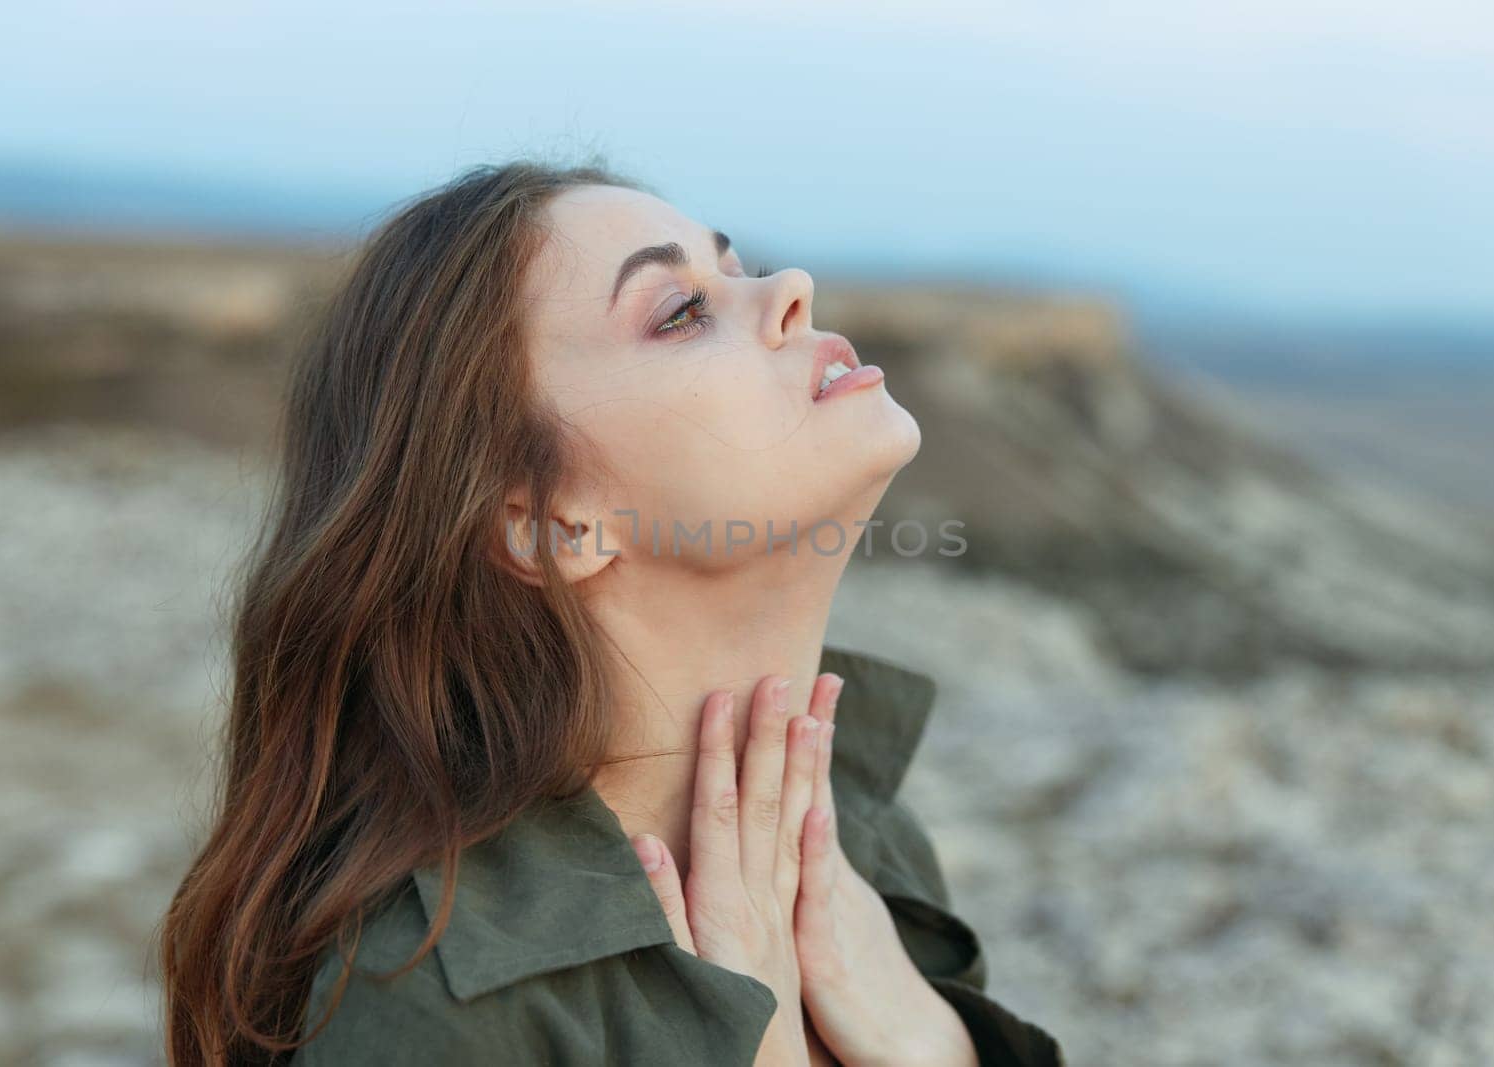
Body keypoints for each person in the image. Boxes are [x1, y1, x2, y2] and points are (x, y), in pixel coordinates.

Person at [160, 158, 1066, 1066]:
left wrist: (942, 1042)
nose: (791, 288)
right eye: (681, 312)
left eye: (737, 268)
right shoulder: (444, 1000)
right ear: (551, 525)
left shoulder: (852, 845)